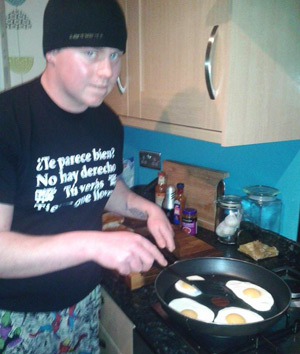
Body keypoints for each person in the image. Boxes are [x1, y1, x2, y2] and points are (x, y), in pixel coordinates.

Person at [0, 0, 175, 352]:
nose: (106, 71)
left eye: (115, 55)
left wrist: (147, 209)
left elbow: (101, 184)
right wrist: (95, 243)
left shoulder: (107, 122)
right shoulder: (9, 121)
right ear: (52, 50)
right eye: (91, 52)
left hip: (83, 303)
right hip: (16, 315)